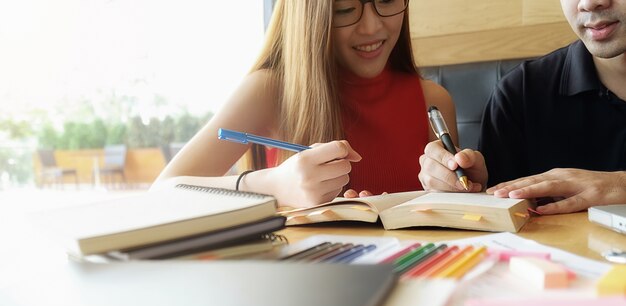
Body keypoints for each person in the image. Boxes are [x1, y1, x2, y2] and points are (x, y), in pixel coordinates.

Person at [153, 0, 456, 208]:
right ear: (310, 17)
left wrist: (461, 186)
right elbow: (162, 195)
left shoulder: (433, 101)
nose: (371, 27)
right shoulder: (269, 90)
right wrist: (272, 185)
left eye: (388, 0)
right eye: (345, 9)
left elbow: (455, 207)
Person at [418, 0, 626, 214]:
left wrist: (619, 185)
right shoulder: (520, 92)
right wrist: (472, 187)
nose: (589, 3)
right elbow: (497, 219)